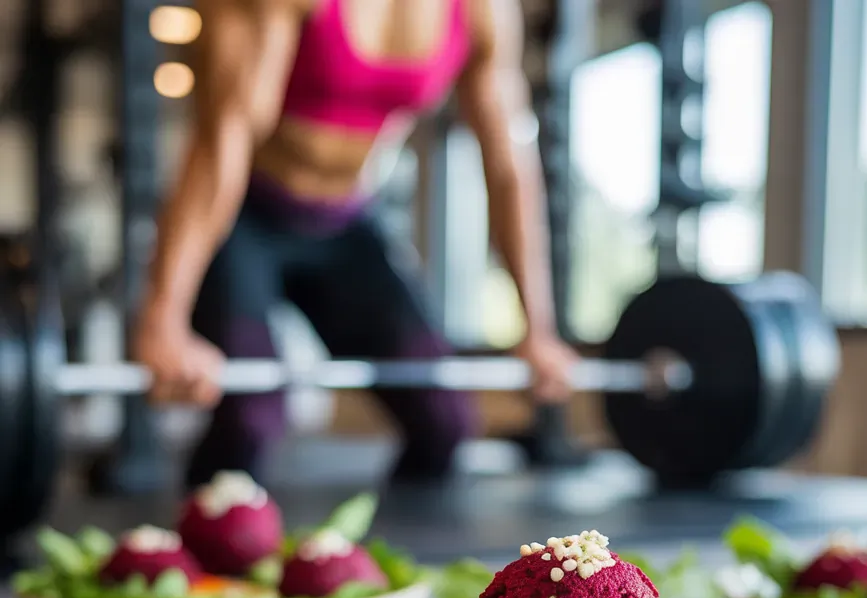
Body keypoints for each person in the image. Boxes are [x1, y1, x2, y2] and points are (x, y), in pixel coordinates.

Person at [134, 0, 577, 486]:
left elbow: (507, 163)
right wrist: (163, 319)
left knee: (444, 420)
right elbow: (224, 136)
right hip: (245, 216)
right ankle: (202, 549)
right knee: (252, 414)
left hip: (345, 222)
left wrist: (538, 329)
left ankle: (384, 558)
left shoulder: (481, 9)